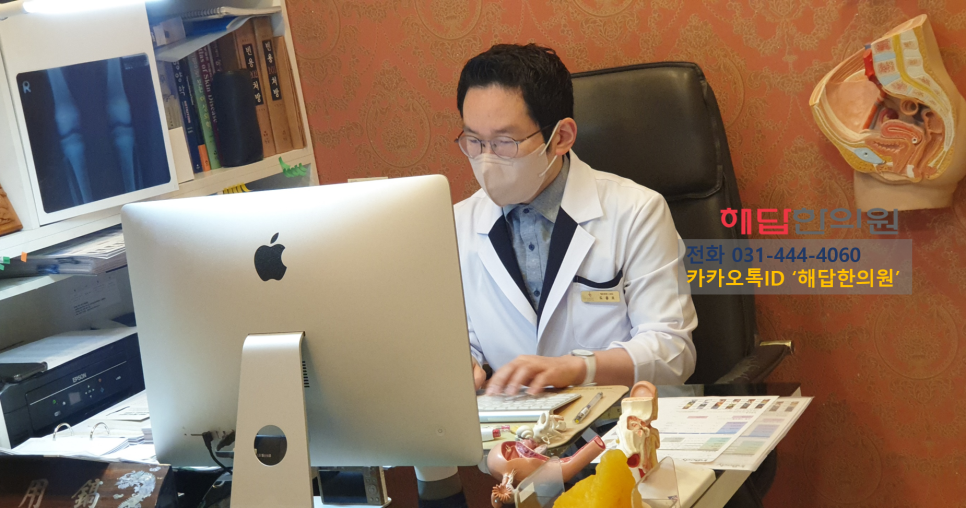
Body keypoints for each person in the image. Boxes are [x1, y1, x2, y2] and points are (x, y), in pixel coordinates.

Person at [453, 43, 697, 395]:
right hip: (513, 425)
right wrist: (464, 363)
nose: (486, 160)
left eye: (505, 142)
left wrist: (580, 368)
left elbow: (673, 352)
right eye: (474, 141)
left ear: (561, 138)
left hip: (614, 419)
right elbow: (463, 339)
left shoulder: (637, 211)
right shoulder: (457, 225)